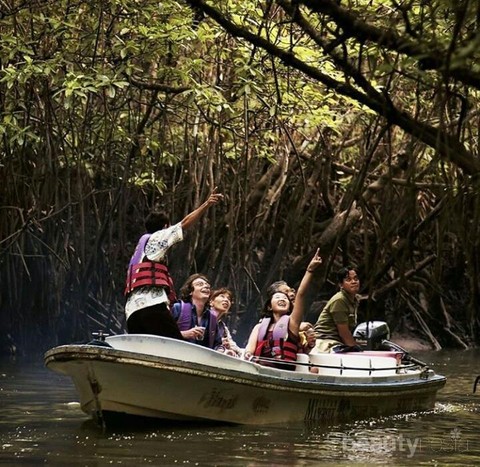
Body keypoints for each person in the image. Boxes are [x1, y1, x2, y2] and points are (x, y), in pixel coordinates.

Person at [124, 190, 223, 337]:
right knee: (173, 343)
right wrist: (206, 204)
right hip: (151, 305)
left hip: (131, 311)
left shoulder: (139, 250)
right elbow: (184, 223)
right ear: (165, 226)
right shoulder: (157, 238)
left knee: (146, 345)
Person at [244, 249, 323, 369]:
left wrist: (310, 270)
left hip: (283, 370)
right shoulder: (259, 327)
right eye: (278, 297)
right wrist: (248, 355)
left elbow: (301, 294)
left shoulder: (292, 324)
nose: (282, 299)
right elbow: (249, 350)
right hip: (260, 368)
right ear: (269, 306)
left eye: (285, 298)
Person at [314, 266, 362, 353]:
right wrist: (355, 350)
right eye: (348, 280)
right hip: (326, 341)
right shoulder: (340, 300)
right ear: (341, 285)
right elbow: (343, 332)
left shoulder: (354, 300)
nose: (354, 282)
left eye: (356, 279)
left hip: (338, 342)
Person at [170, 274, 222, 349]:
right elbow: (161, 332)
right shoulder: (178, 308)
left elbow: (217, 344)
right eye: (200, 284)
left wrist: (222, 350)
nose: (206, 286)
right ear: (190, 291)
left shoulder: (211, 318)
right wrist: (183, 334)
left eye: (208, 286)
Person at [209, 287, 242, 357]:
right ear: (211, 302)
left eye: (229, 299)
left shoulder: (223, 328)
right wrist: (217, 342)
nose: (226, 300)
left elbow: (236, 348)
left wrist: (230, 348)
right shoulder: (202, 318)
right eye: (222, 296)